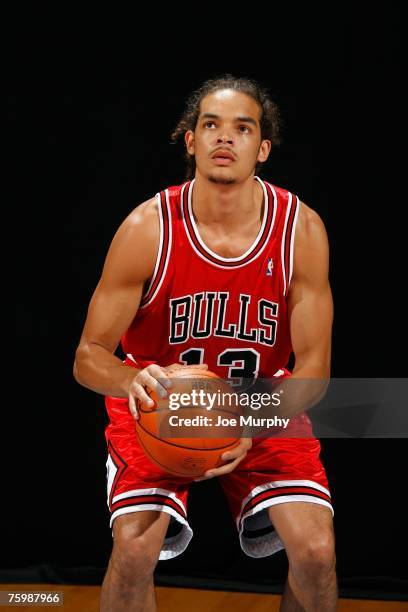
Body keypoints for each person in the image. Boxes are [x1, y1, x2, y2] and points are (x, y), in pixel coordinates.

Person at [74, 74, 337, 612]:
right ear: (190, 140)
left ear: (262, 148)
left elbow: (314, 371)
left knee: (315, 552)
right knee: (133, 549)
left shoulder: (301, 230)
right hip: (160, 403)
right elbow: (87, 357)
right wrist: (131, 379)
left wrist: (247, 419)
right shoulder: (148, 228)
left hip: (259, 399)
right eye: (211, 125)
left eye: (242, 128)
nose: (225, 137)